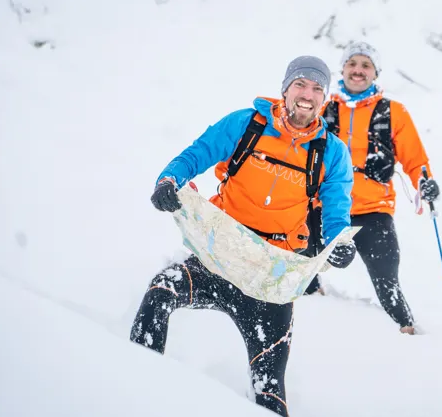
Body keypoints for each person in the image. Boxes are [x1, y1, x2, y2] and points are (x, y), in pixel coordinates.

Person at [130, 56, 356, 417]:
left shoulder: (332, 153)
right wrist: (168, 180)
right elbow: (198, 153)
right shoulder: (246, 124)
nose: (307, 94)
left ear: (325, 99)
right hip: (218, 255)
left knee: (269, 389)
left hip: (272, 277)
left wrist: (339, 243)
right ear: (285, 89)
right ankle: (131, 384)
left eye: (317, 88)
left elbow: (335, 212)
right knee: (161, 293)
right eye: (300, 83)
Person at [304, 42, 440, 335]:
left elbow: (416, 159)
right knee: (303, 269)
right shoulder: (322, 107)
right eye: (352, 64)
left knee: (387, 280)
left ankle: (409, 333)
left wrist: (425, 181)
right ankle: (312, 320)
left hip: (373, 210)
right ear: (342, 69)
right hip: (323, 207)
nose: (358, 70)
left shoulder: (393, 112)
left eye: (366, 65)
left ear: (375, 73)